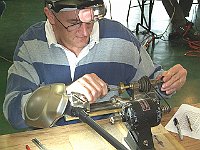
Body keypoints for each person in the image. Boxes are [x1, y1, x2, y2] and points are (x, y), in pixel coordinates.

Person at [3, 0, 187, 130]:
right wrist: (64, 96)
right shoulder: (32, 44)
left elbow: (150, 85)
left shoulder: (121, 38)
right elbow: (14, 113)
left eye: (90, 21)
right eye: (74, 23)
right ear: (50, 15)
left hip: (112, 134)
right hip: (53, 138)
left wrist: (168, 82)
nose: (85, 32)